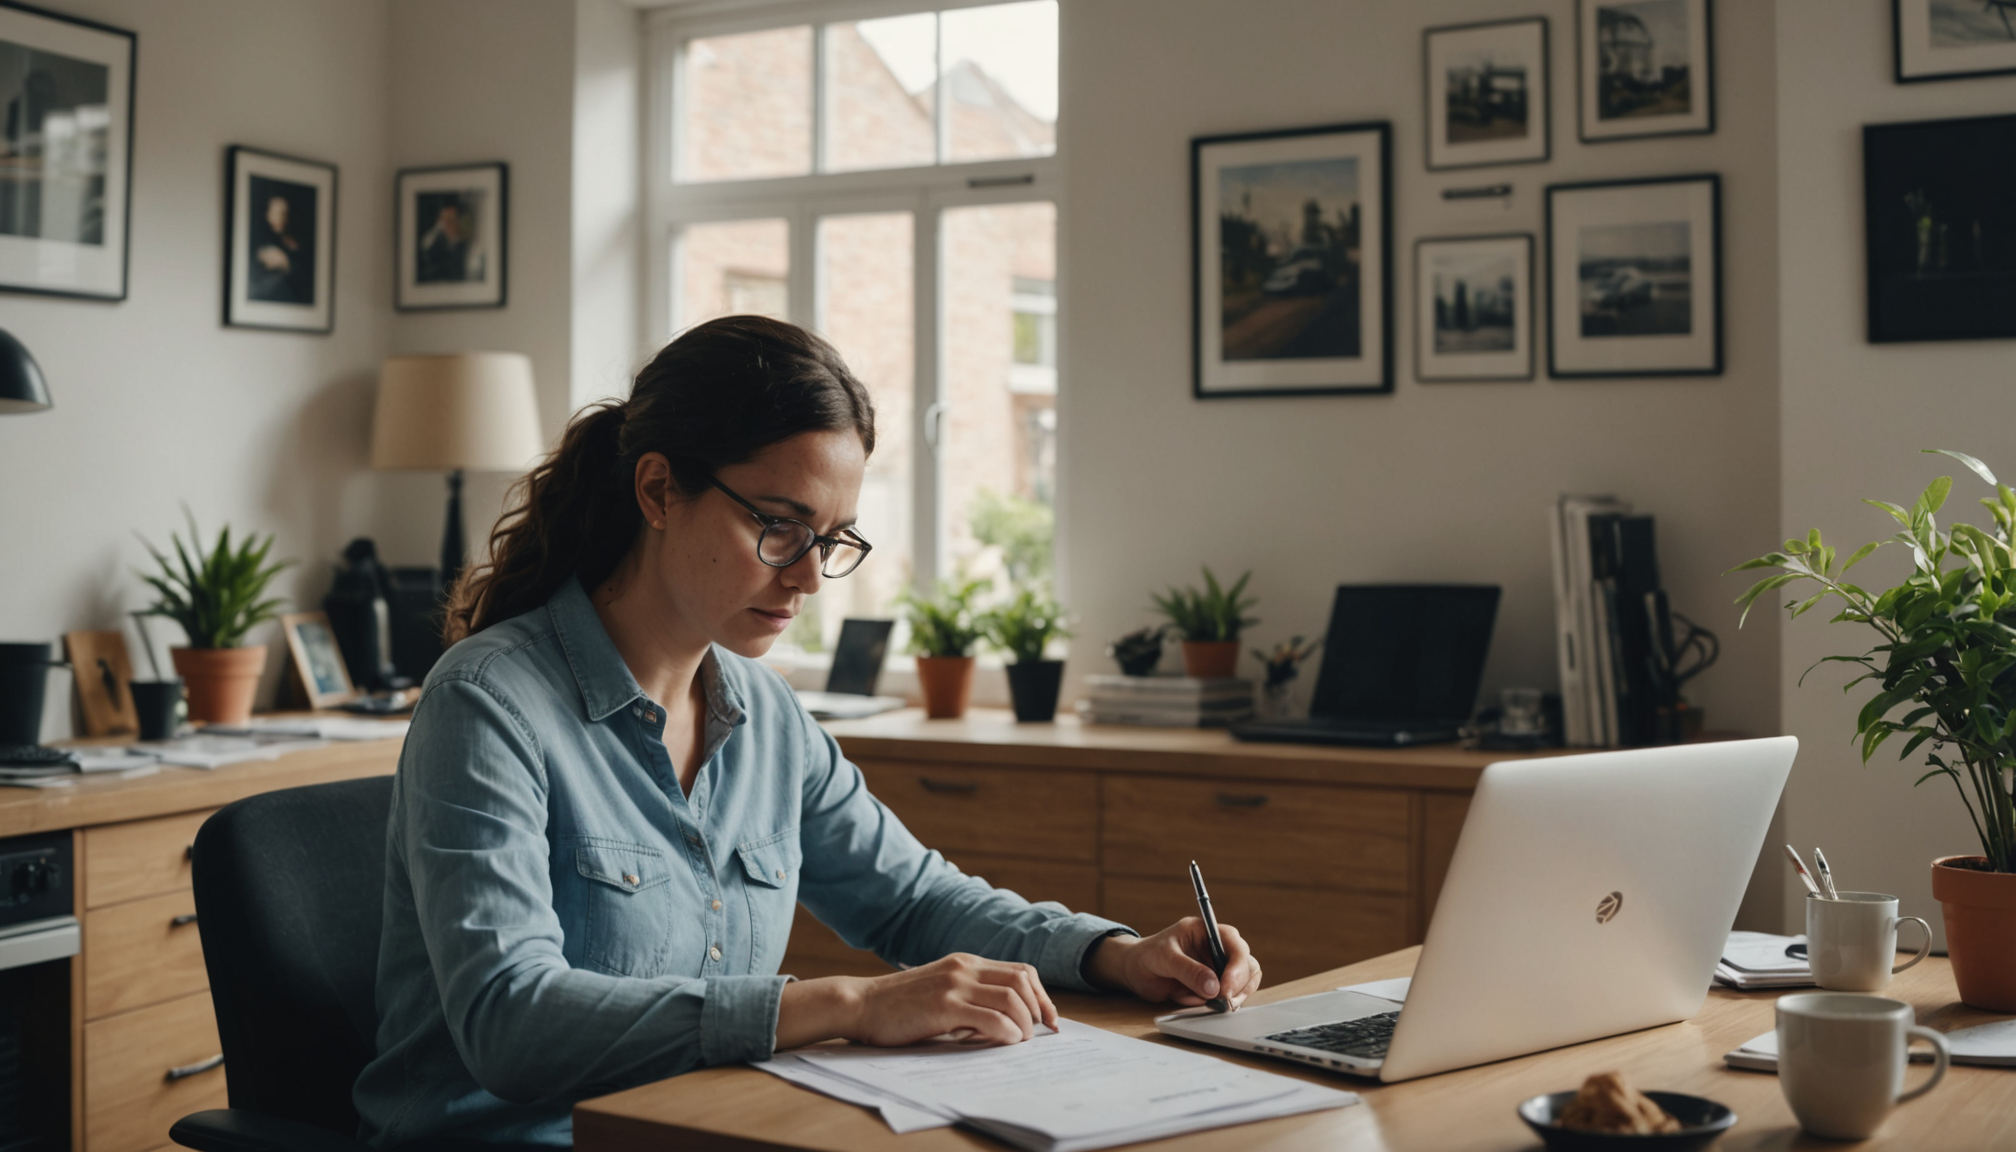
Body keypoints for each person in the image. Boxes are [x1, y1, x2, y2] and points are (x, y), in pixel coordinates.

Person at [353, 316, 1262, 1149]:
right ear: (659, 489)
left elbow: (913, 900)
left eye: (832, 538)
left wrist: (1114, 955)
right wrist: (849, 1005)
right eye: (780, 527)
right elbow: (511, 1022)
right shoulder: (487, 702)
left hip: (706, 1131)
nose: (810, 578)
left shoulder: (768, 714)